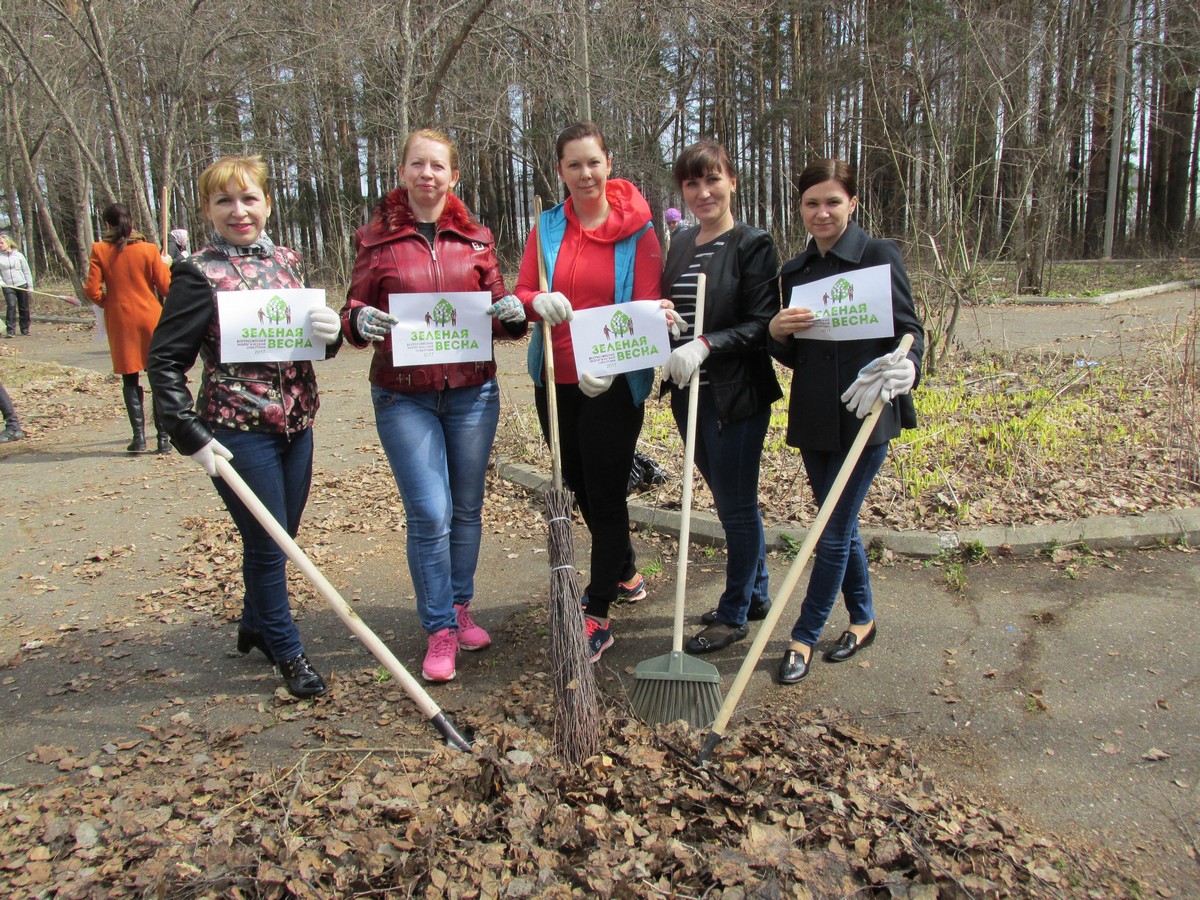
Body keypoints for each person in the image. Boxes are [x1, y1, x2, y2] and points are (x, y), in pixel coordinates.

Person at [148, 154, 343, 699]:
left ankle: (256, 624)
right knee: (269, 545)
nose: (239, 211)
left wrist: (331, 335)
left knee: (281, 537)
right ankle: (288, 651)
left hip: (297, 426)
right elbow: (164, 361)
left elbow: (310, 345)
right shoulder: (197, 273)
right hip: (237, 430)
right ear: (208, 210)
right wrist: (189, 433)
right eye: (224, 201)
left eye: (249, 198)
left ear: (267, 204)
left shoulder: (288, 261)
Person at [341, 129, 527, 684]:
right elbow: (354, 309)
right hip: (403, 395)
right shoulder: (376, 240)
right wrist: (356, 320)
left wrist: (512, 313)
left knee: (467, 508)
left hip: (472, 391)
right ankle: (439, 628)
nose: (427, 174)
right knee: (430, 512)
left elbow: (496, 310)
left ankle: (461, 606)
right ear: (402, 172)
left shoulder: (476, 239)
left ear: (454, 176)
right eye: (417, 165)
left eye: (437, 166)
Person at [768, 159, 924, 685]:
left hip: (867, 413)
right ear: (801, 208)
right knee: (842, 524)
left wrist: (908, 366)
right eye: (812, 203)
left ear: (852, 203)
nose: (822, 212)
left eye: (833, 201)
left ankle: (804, 636)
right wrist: (779, 333)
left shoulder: (879, 256)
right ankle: (863, 619)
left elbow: (911, 331)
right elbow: (795, 356)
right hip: (814, 416)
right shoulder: (794, 272)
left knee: (830, 530)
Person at [514, 121, 664, 663]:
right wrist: (536, 302)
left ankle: (597, 610)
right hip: (555, 379)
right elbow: (524, 287)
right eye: (573, 164)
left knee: (604, 493)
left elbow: (648, 310)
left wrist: (616, 364)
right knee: (577, 482)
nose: (585, 174)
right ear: (560, 171)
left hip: (613, 383)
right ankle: (624, 571)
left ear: (608, 164)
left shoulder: (639, 232)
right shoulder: (547, 226)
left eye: (593, 162)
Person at [660, 140, 781, 654]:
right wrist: (670, 322)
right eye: (691, 183)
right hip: (690, 396)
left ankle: (732, 615)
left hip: (736, 397)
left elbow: (762, 324)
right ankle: (755, 593)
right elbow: (680, 309)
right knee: (732, 501)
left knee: (734, 506)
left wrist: (706, 343)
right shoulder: (682, 243)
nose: (703, 192)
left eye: (713, 180)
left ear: (732, 181)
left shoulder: (753, 244)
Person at [84, 204, 173, 453]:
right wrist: (166, 265)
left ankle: (139, 438)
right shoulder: (149, 249)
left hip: (121, 319)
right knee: (157, 377)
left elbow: (91, 290)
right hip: (150, 317)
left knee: (129, 377)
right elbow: (167, 288)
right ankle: (163, 439)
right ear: (131, 221)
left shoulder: (100, 249)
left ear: (107, 224)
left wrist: (108, 302)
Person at [0, 234, 33, 338]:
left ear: (8, 243)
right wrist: (1, 282)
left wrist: (30, 285)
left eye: (1, 243)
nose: (0, 245)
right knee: (11, 306)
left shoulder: (19, 256)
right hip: (7, 286)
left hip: (21, 284)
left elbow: (26, 271)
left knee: (24, 307)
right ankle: (10, 331)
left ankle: (25, 329)